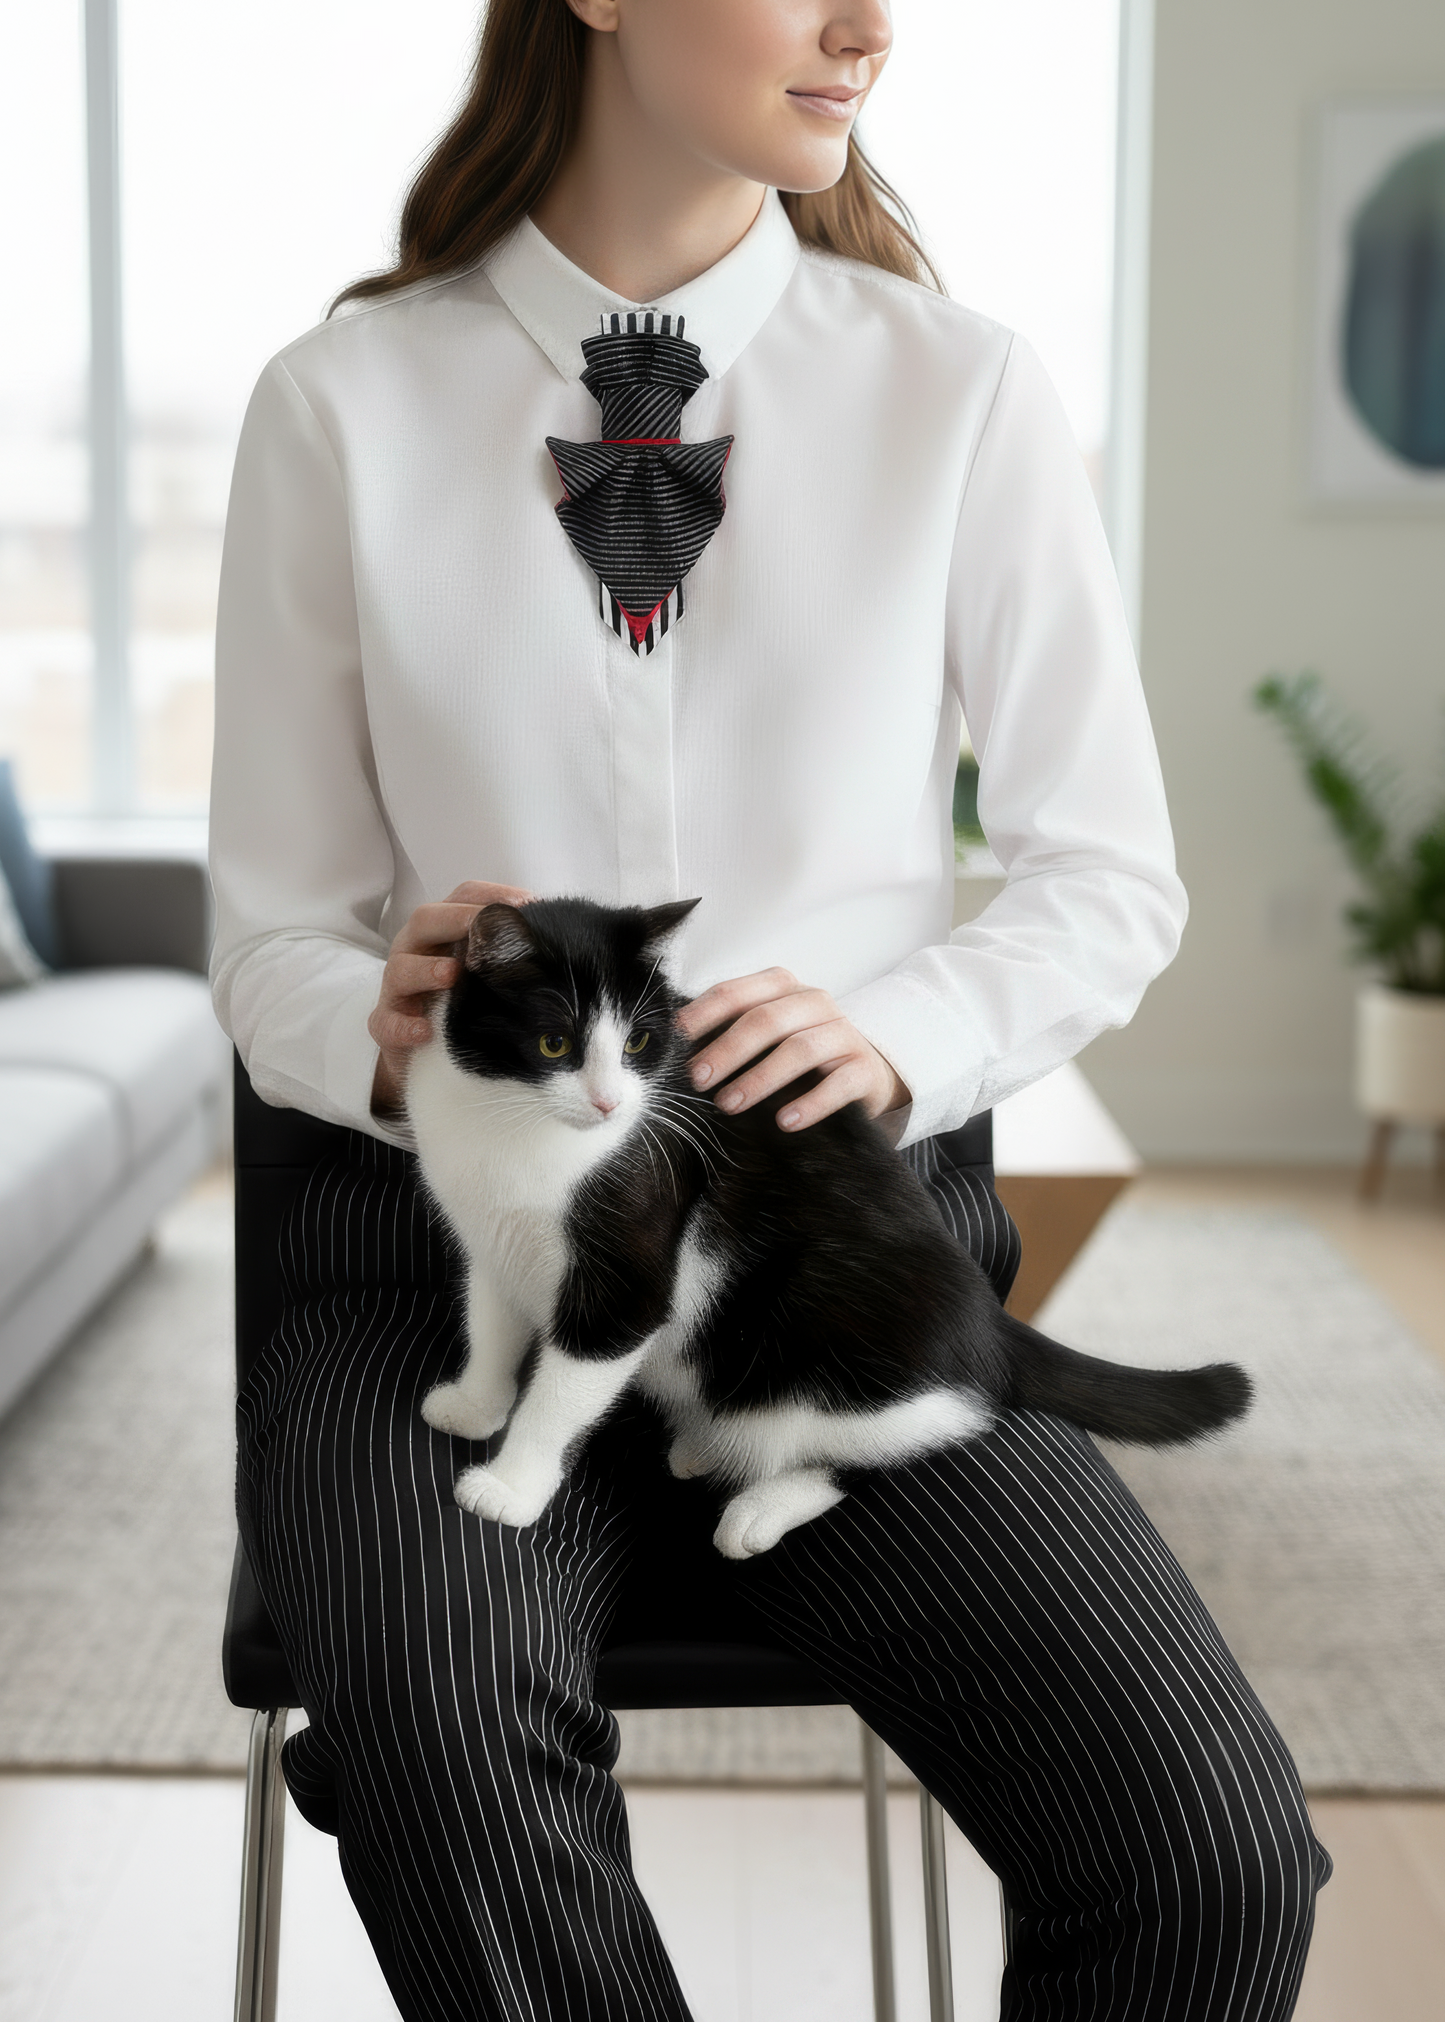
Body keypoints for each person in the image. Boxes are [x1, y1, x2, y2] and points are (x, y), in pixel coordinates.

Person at [210, 1, 1331, 2016]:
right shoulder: (337, 404)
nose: (868, 24)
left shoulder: (961, 395)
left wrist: (902, 1029)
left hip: (833, 1276)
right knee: (446, 1762)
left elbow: (1104, 876)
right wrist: (368, 1025)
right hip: (430, 1291)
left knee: (1207, 1855)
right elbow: (269, 932)